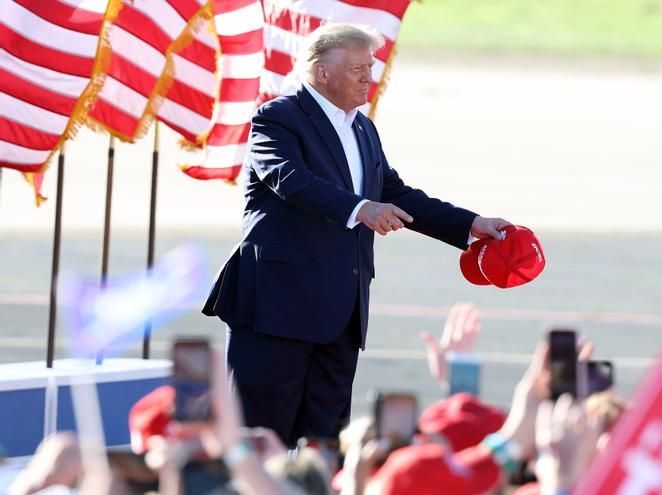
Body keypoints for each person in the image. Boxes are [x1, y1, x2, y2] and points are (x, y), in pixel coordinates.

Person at [202, 22, 510, 446]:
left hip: (340, 317)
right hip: (277, 310)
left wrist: (469, 223)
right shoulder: (277, 118)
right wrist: (361, 209)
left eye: (370, 67)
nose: (369, 77)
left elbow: (395, 193)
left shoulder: (363, 128)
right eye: (357, 69)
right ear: (322, 72)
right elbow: (290, 180)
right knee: (260, 440)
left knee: (325, 444)